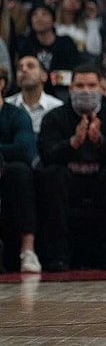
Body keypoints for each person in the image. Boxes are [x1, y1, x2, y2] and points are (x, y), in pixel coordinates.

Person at [38, 64, 106, 271]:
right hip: (69, 181)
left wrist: (100, 142)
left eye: (91, 85)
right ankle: (60, 254)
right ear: (70, 88)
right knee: (52, 174)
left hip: (101, 181)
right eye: (80, 86)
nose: (86, 91)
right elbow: (46, 154)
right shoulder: (55, 117)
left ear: (100, 88)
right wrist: (72, 143)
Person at [0, 64, 42, 273]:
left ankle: (28, 250)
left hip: (8, 174)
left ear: (1, 84)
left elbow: (24, 150)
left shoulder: (16, 115)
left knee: (21, 172)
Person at [4, 55, 63, 135]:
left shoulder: (57, 108)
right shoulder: (5, 106)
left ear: (44, 76)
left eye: (30, 66)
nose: (24, 70)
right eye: (19, 68)